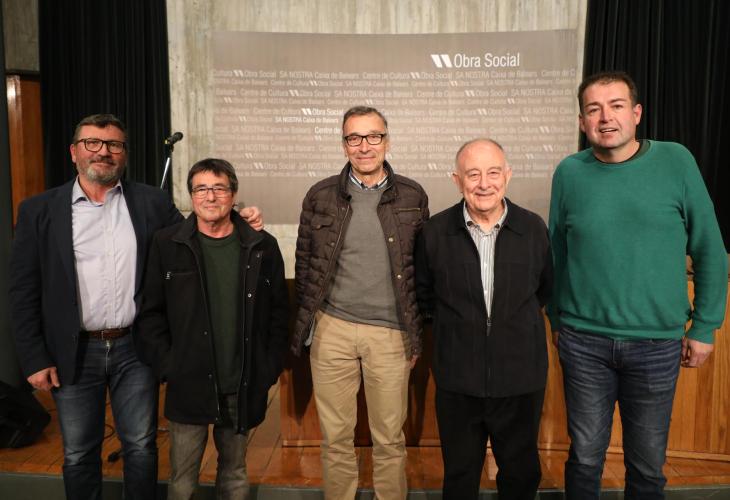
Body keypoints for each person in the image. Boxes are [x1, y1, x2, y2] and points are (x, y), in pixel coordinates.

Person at [8, 113, 262, 500]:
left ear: (124, 153)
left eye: (114, 145)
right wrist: (33, 358)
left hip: (135, 349)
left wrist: (239, 216)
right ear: (74, 152)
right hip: (72, 351)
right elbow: (23, 289)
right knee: (78, 453)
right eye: (93, 143)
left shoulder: (150, 202)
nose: (103, 152)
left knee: (141, 446)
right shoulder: (38, 210)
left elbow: (196, 233)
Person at [548, 71, 728, 499]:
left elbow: (710, 248)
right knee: (584, 458)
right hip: (583, 342)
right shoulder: (569, 172)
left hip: (655, 345)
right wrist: (557, 319)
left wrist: (704, 326)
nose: (605, 117)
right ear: (582, 121)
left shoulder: (675, 161)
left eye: (616, 106)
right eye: (593, 109)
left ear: (636, 113)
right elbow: (556, 253)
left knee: (647, 465)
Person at [290, 105, 428, 499]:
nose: (364, 146)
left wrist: (414, 333)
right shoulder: (320, 195)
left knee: (390, 439)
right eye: (354, 137)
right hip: (332, 330)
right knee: (335, 439)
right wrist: (312, 325)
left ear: (386, 140)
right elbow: (305, 265)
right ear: (344, 144)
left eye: (373, 136)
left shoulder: (413, 195)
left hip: (391, 333)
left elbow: (421, 270)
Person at [135, 158, 288, 499]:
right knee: (182, 482)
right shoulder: (166, 244)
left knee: (234, 475)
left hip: (240, 382)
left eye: (219, 188)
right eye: (201, 189)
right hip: (187, 381)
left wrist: (268, 367)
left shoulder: (262, 246)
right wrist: (169, 366)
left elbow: (279, 313)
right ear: (191, 196)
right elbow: (151, 314)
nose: (210, 196)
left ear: (233, 194)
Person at [415, 138, 553, 499]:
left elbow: (544, 290)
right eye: (472, 174)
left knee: (520, 477)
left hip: (520, 380)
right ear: (457, 180)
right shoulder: (434, 232)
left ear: (507, 175)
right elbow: (425, 297)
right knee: (460, 479)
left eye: (493, 173)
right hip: (458, 382)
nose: (484, 184)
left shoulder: (533, 228)